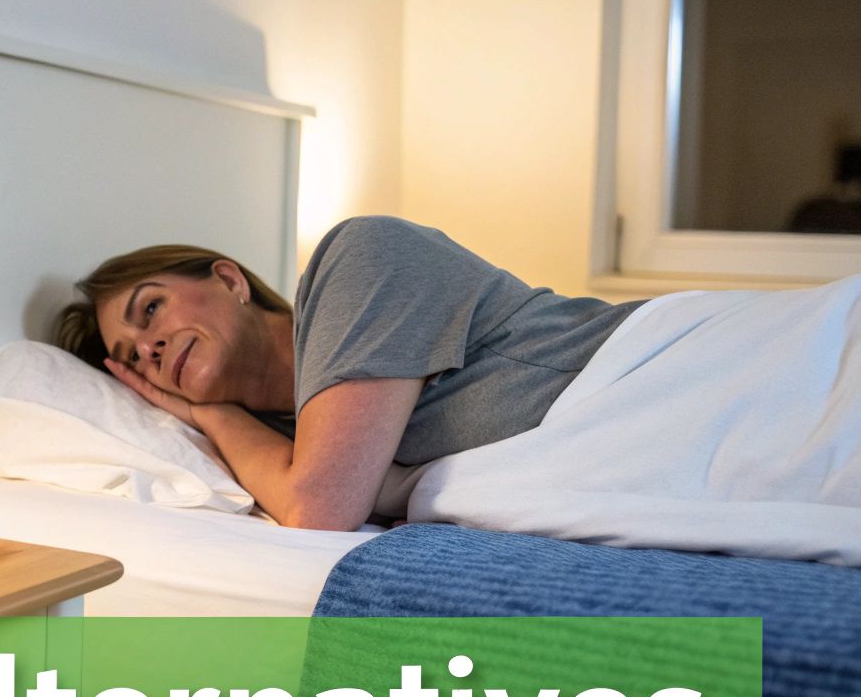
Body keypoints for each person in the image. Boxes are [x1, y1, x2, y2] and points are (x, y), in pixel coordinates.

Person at [54, 215, 644, 531]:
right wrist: (213, 417)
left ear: (229, 281)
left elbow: (320, 510)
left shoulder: (361, 258)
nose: (148, 348)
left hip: (661, 373)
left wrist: (210, 411)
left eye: (150, 308)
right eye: (131, 357)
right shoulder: (280, 447)